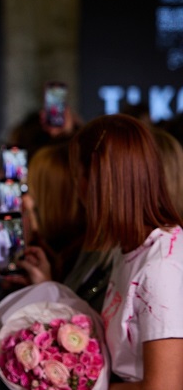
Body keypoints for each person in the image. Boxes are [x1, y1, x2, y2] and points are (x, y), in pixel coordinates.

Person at [68, 114, 183, 387]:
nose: (76, 187)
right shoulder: (131, 246)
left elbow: (164, 387)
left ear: (96, 182)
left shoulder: (160, 268)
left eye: (78, 175)